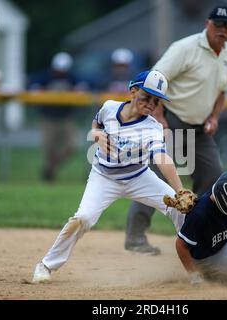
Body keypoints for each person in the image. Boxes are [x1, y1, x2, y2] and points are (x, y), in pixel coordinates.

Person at [32, 70, 189, 283]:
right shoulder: (109, 107)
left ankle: (197, 261)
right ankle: (46, 265)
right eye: (147, 96)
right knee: (83, 218)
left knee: (180, 210)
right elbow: (96, 124)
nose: (151, 103)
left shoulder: (152, 127)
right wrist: (96, 134)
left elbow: (162, 158)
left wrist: (179, 190)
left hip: (139, 177)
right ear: (133, 91)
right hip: (103, 177)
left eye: (157, 100)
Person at [125, 5, 227, 255]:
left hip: (200, 130)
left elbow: (221, 92)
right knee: (153, 179)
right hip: (172, 121)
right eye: (218, 24)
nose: (223, 30)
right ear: (208, 23)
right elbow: (155, 80)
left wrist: (215, 117)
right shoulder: (185, 48)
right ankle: (135, 238)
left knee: (214, 179)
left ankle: (199, 236)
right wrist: (159, 116)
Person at [30, 52, 78, 182]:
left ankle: (51, 167)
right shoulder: (45, 77)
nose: (60, 73)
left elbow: (83, 85)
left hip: (65, 117)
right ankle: (50, 176)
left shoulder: (72, 78)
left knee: (71, 146)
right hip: (48, 118)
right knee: (49, 148)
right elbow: (32, 85)